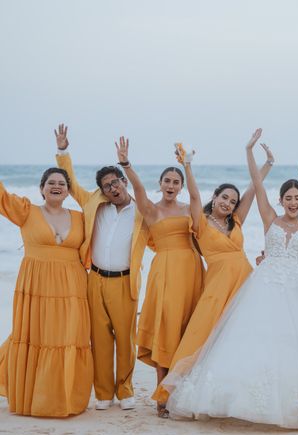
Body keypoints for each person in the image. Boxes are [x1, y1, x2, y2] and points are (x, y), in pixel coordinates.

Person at [161, 129, 298, 429]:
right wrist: (250, 150)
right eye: (288, 198)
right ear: (280, 200)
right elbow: (255, 182)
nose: (292, 202)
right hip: (264, 286)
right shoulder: (270, 218)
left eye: (297, 198)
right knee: (254, 341)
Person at [152, 139, 274, 407]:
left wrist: (266, 163)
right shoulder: (201, 224)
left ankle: (235, 395)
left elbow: (253, 190)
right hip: (217, 286)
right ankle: (170, 393)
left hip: (244, 283)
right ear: (215, 198)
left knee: (239, 337)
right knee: (202, 336)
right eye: (224, 198)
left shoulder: (237, 220)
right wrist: (188, 167)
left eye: (232, 201)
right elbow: (194, 197)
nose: (228, 203)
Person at [55, 125, 149, 411]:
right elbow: (69, 184)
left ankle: (126, 390)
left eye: (115, 182)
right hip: (94, 279)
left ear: (123, 181)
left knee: (125, 339)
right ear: (103, 191)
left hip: (125, 281)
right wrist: (63, 151)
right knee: (99, 338)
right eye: (107, 186)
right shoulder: (94, 203)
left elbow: (168, 232)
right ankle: (104, 393)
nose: (112, 188)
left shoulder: (142, 210)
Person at [114, 137, 204, 416]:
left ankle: (185, 394)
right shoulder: (151, 210)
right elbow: (137, 189)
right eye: (167, 181)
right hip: (164, 271)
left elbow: (196, 198)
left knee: (187, 330)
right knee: (166, 329)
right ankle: (162, 397)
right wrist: (126, 164)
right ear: (161, 183)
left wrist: (186, 166)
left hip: (191, 269)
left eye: (176, 182)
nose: (171, 186)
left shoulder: (188, 209)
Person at [0, 167, 93, 417]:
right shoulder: (27, 211)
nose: (56, 186)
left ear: (68, 190)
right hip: (36, 284)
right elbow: (1, 197)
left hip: (73, 286)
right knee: (37, 336)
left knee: (67, 338)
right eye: (51, 182)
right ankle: (35, 399)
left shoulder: (80, 216)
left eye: (62, 183)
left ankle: (64, 399)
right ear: (42, 188)